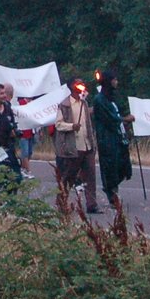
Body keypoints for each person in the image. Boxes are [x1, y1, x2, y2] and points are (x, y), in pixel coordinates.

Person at [54, 77, 101, 214]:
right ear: (71, 86)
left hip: (87, 145)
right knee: (69, 176)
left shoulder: (84, 103)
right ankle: (61, 203)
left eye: (82, 82)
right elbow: (58, 124)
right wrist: (71, 126)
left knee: (90, 176)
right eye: (78, 83)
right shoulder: (65, 104)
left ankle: (92, 204)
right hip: (74, 147)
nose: (81, 84)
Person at [92, 69, 135, 206]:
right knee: (110, 167)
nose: (116, 82)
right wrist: (124, 119)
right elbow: (110, 119)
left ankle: (114, 190)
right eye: (114, 79)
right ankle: (112, 195)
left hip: (118, 137)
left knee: (123, 166)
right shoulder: (99, 99)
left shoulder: (111, 98)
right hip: (107, 139)